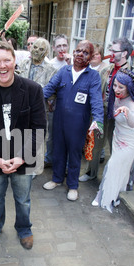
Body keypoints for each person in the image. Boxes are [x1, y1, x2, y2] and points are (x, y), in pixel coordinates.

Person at [0, 41, 47, 249]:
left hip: (24, 157)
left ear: (14, 61)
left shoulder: (32, 90)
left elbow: (39, 128)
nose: (2, 66)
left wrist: (22, 157)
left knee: (23, 200)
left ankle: (24, 229)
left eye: (6, 60)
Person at [42, 40, 104, 201]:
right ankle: (56, 179)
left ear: (90, 57)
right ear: (73, 52)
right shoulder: (64, 71)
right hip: (59, 120)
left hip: (78, 124)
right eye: (78, 51)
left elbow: (96, 101)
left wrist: (98, 120)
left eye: (85, 52)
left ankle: (73, 186)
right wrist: (31, 97)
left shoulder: (93, 77)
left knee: (75, 155)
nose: (80, 54)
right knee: (58, 150)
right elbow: (48, 89)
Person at [79, 38, 134, 183]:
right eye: (111, 50)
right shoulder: (105, 71)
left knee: (118, 149)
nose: (111, 54)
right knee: (95, 145)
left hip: (121, 119)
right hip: (103, 114)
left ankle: (115, 178)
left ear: (125, 53)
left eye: (114, 51)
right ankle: (91, 172)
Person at [92, 68, 134, 212]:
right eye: (114, 85)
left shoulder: (133, 104)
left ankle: (102, 195)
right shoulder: (115, 98)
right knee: (117, 167)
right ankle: (114, 195)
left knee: (113, 166)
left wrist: (127, 113)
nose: (116, 89)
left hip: (130, 140)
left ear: (130, 87)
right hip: (118, 136)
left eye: (121, 87)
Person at [19, 37, 57, 175]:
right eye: (35, 47)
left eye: (41, 49)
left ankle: (34, 168)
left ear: (46, 52)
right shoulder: (23, 64)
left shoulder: (51, 70)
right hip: (21, 108)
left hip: (39, 110)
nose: (37, 51)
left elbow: (53, 93)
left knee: (37, 139)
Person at [45, 34, 73, 168]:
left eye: (64, 45)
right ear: (54, 48)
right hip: (53, 105)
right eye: (58, 46)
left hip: (69, 106)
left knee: (68, 135)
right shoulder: (50, 64)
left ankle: (66, 164)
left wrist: (70, 65)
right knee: (51, 135)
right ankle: (49, 158)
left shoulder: (75, 63)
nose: (62, 49)